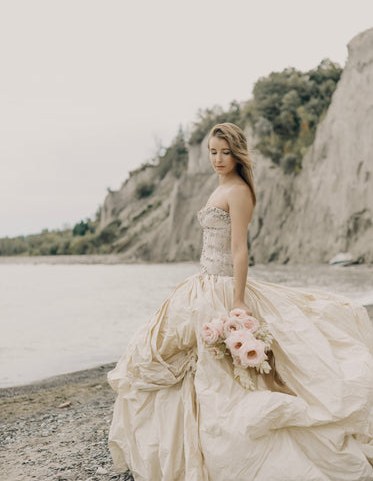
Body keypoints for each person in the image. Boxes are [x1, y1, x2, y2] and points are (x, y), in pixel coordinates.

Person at [107, 122, 373, 481]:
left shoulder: (239, 191)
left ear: (237, 153)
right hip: (201, 284)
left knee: (221, 374)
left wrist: (237, 301)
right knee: (174, 358)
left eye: (225, 152)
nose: (218, 159)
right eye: (213, 152)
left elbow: (240, 249)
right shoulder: (221, 186)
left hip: (222, 288)